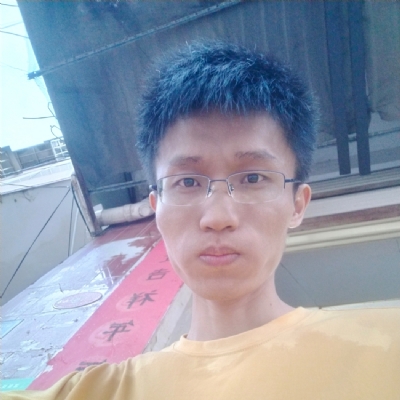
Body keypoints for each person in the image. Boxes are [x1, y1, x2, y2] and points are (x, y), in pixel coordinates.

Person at [4, 41, 399, 400]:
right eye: (188, 182)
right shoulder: (100, 393)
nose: (218, 217)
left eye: (253, 178)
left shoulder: (386, 346)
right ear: (156, 208)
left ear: (298, 203)